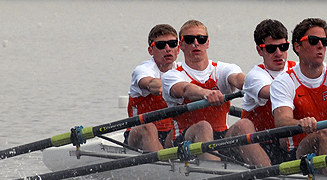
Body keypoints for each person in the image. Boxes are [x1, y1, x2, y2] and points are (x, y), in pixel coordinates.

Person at [161, 19, 269, 166]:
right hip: (184, 140)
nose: (195, 43)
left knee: (244, 124)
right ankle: (212, 174)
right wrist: (205, 93)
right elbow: (185, 89)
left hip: (220, 138)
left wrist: (256, 86)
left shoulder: (222, 69)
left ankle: (270, 176)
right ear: (181, 45)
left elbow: (239, 79)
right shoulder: (172, 75)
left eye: (201, 39)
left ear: (207, 43)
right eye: (189, 39)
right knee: (204, 126)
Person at [270, 17, 327, 171]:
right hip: (299, 154)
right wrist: (300, 123)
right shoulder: (284, 81)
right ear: (297, 46)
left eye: (324, 42)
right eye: (313, 40)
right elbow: (282, 120)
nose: (320, 46)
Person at [241, 19, 297, 164]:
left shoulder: (298, 69)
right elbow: (273, 92)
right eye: (271, 49)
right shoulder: (256, 76)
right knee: (243, 126)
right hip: (263, 145)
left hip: (291, 143)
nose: (279, 54)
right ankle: (268, 176)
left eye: (283, 47)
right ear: (260, 50)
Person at [126, 23, 180, 152]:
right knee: (149, 128)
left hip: (169, 134)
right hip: (138, 134)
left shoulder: (182, 71)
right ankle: (162, 166)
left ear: (178, 49)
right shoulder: (143, 70)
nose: (167, 49)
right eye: (161, 45)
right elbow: (151, 84)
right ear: (151, 50)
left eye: (172, 44)